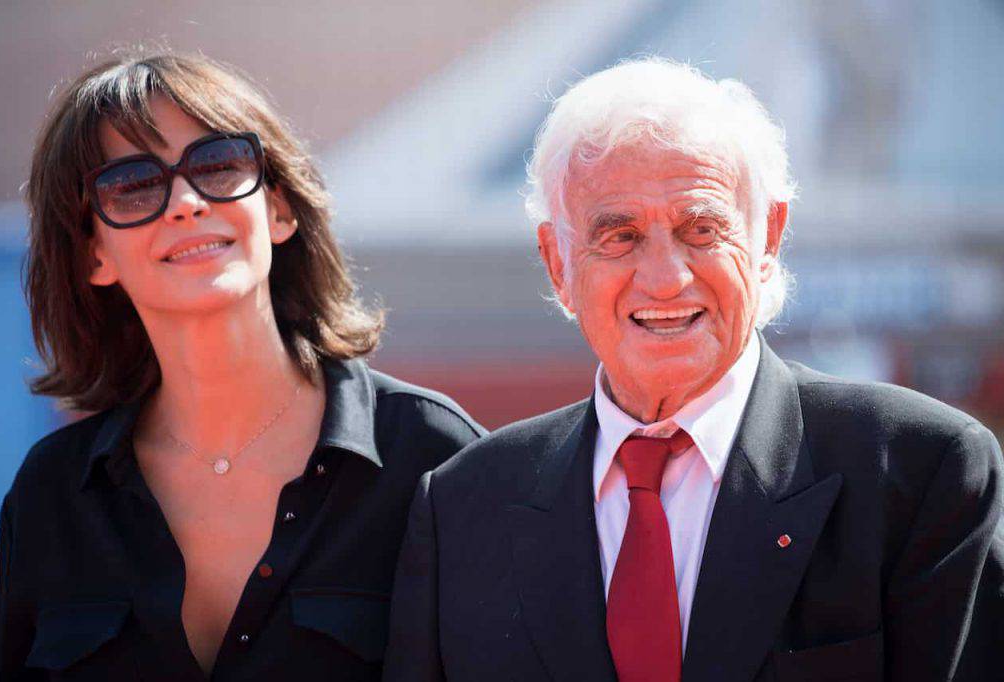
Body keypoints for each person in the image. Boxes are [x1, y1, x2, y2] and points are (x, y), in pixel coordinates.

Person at [384, 58, 1004, 682]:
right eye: (619, 235)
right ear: (557, 263)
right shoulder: (464, 506)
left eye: (701, 229)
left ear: (766, 239)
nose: (665, 279)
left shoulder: (917, 469)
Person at [0, 52, 484, 681]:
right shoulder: (51, 496)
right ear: (94, 254)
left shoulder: (433, 458)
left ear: (279, 210)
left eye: (218, 165)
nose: (186, 202)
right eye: (134, 184)